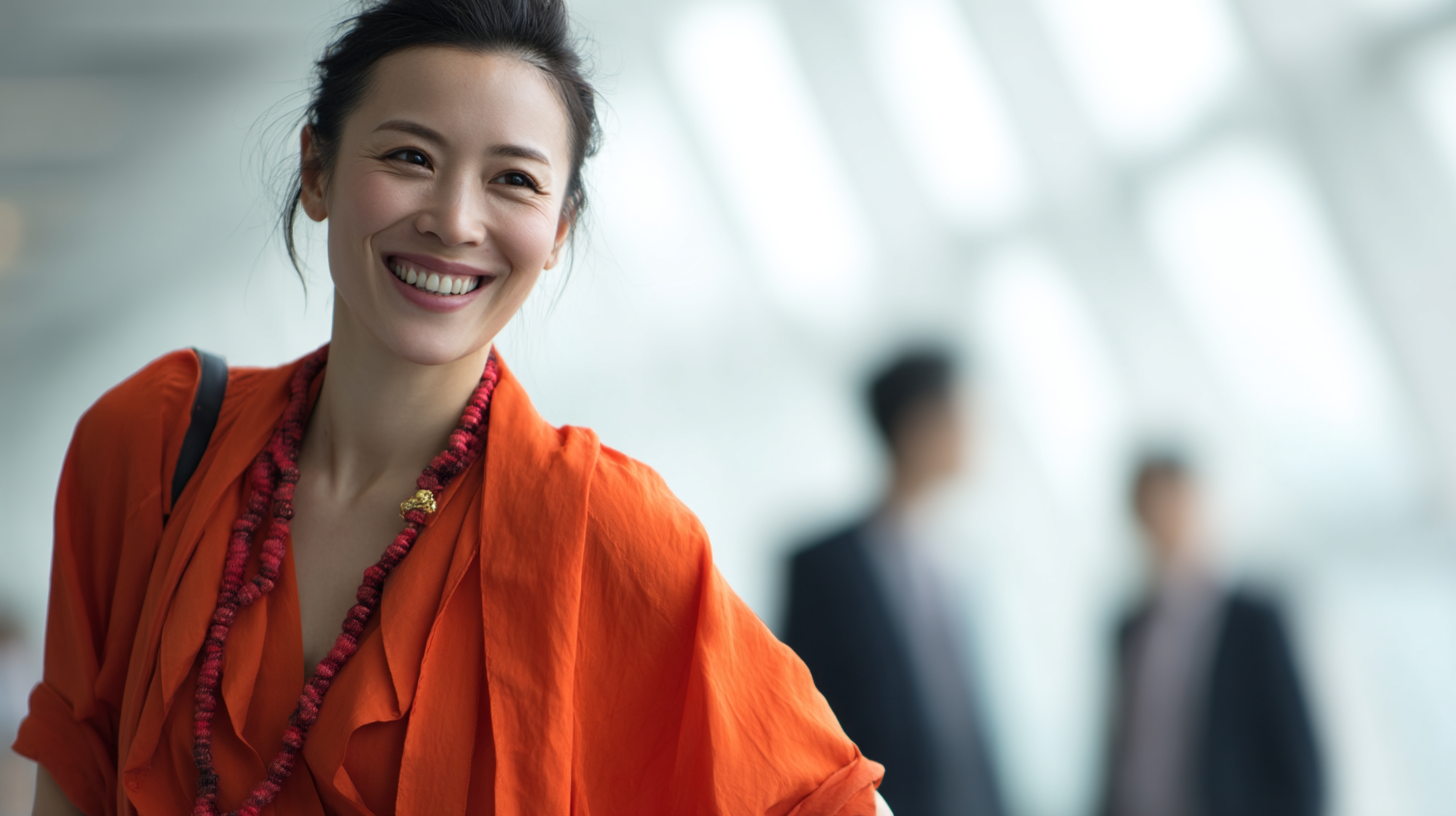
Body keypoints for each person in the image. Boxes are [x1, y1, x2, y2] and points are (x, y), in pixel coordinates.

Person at [14, 1, 889, 813]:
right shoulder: (154, 442)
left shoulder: (598, 527)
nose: (455, 219)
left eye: (513, 180)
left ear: (558, 231)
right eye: (410, 158)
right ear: (317, 169)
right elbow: (73, 779)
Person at [785, 349, 1004, 816]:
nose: (977, 433)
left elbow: (969, 725)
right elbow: (800, 713)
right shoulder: (823, 567)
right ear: (918, 428)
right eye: (962, 416)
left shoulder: (958, 561)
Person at [1101, 452, 1323, 816]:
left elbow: (1300, 769)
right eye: (1150, 510)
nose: (1162, 525)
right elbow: (1118, 761)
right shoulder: (1128, 628)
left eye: (1172, 507)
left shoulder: (1253, 624)